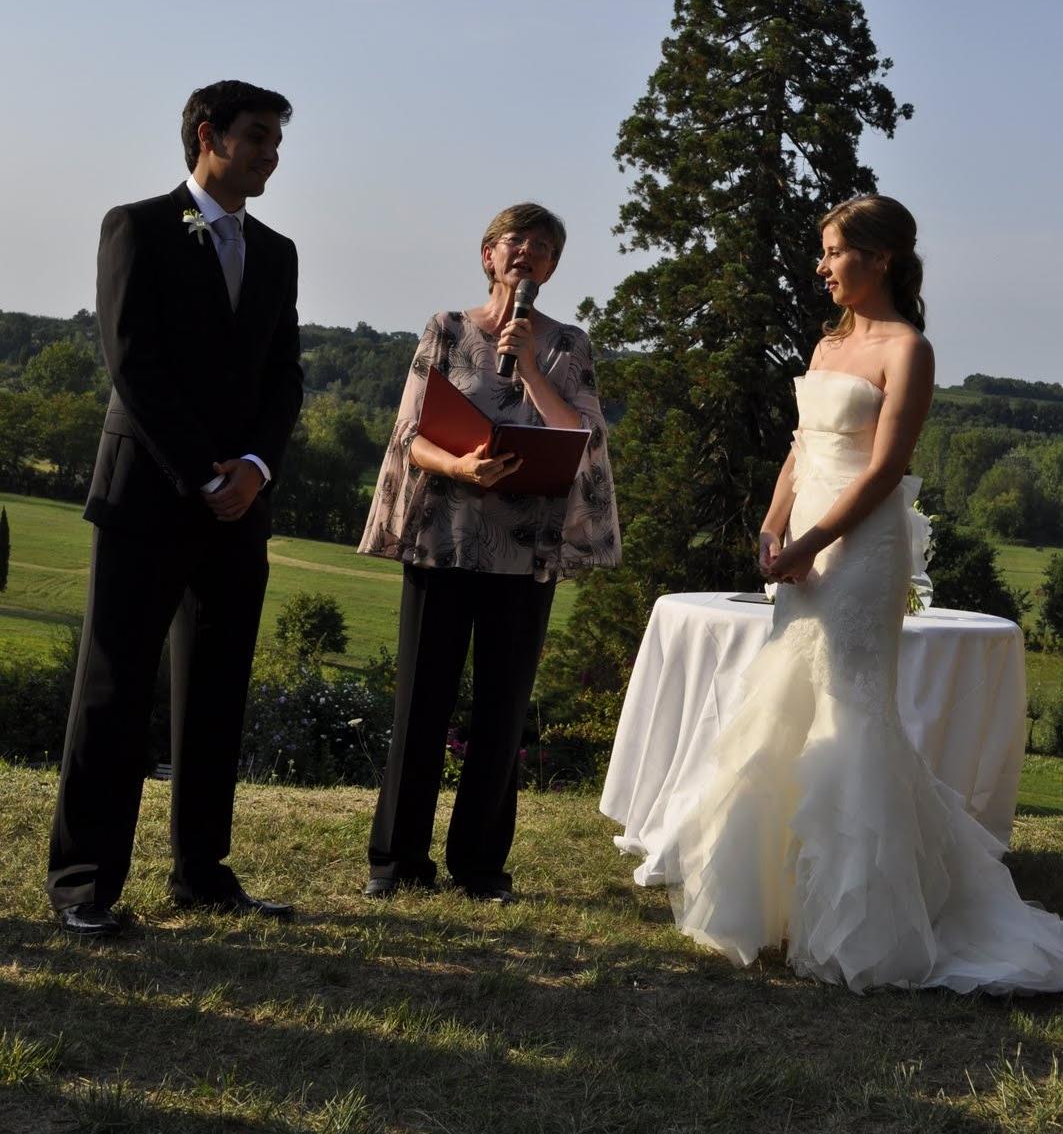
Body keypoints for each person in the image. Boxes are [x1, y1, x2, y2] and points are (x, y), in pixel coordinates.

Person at [632, 195, 1063, 992]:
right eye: (822, 252)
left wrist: (813, 542)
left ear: (882, 258)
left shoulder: (908, 349)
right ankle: (775, 903)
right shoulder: (826, 343)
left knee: (849, 709)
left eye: (834, 251)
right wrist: (771, 525)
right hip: (800, 542)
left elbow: (884, 470)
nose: (821, 266)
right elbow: (801, 448)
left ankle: (861, 919)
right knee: (787, 700)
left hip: (860, 550)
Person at [47, 81, 303, 937]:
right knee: (112, 691)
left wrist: (257, 469)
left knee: (217, 692)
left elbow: (283, 376)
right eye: (258, 136)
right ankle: (84, 883)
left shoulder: (277, 252)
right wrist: (203, 472)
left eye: (277, 139)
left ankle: (201, 871)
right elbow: (133, 363)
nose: (272, 152)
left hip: (240, 510)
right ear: (208, 135)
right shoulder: (138, 227)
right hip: (148, 497)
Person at [358, 202, 620, 901]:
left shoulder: (569, 345)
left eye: (542, 247)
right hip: (443, 542)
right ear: (487, 255)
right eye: (514, 242)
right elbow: (410, 435)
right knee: (420, 704)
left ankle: (479, 868)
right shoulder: (445, 329)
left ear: (552, 268)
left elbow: (580, 439)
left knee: (502, 713)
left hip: (526, 552)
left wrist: (529, 365)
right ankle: (396, 861)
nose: (526, 253)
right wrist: (460, 469)